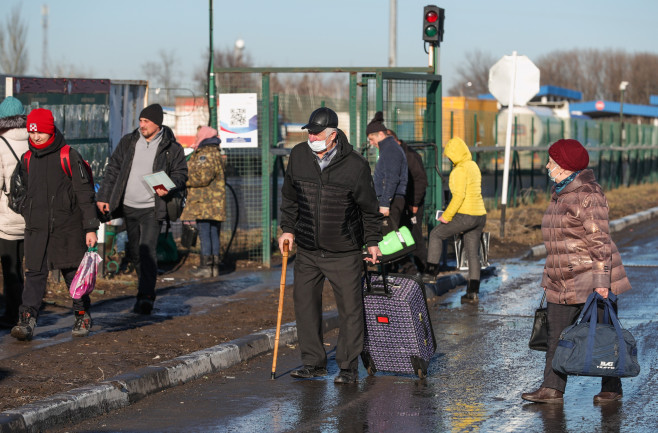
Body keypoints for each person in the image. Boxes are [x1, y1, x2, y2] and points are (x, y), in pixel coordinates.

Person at [522, 138, 632, 405]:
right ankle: (552, 389)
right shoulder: (560, 192)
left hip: (591, 277)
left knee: (604, 333)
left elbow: (600, 241)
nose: (547, 165)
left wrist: (601, 281)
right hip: (562, 279)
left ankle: (612, 387)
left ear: (565, 166)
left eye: (552, 161)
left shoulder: (587, 195)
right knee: (555, 335)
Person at [279, 107, 382, 384]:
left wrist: (372, 242)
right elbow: (289, 197)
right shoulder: (299, 156)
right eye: (309, 132)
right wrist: (287, 229)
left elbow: (369, 209)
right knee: (305, 305)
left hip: (344, 251)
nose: (311, 137)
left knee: (350, 309)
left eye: (316, 133)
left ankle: (347, 367)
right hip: (309, 248)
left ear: (333, 135)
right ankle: (313, 363)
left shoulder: (356, 166)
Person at [10, 108, 98, 340]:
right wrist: (26, 209)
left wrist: (90, 228)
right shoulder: (27, 159)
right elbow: (17, 191)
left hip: (68, 229)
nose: (36, 137)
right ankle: (26, 321)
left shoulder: (69, 155)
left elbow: (85, 193)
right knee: (34, 276)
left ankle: (82, 314)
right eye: (32, 132)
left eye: (40, 132)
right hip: (36, 230)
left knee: (73, 274)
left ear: (51, 131)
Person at [96, 104, 187, 314]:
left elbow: (181, 174)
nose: (142, 125)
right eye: (140, 120)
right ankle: (143, 288)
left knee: (147, 250)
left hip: (152, 208)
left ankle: (146, 296)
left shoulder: (172, 148)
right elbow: (113, 169)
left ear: (157, 124)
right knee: (135, 251)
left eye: (146, 121)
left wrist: (169, 186)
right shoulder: (128, 142)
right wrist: (104, 197)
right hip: (128, 206)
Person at [423, 137, 486, 303]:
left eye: (449, 156)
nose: (449, 159)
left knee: (436, 234)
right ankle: (472, 293)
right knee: (473, 254)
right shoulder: (473, 166)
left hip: (466, 215)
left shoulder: (458, 170)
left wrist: (446, 216)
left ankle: (430, 275)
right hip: (480, 215)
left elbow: (458, 197)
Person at [180, 126, 226, 277]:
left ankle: (207, 267)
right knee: (212, 232)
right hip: (212, 203)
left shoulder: (206, 154)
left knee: (205, 233)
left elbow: (203, 177)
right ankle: (213, 267)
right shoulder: (213, 152)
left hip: (205, 202)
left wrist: (183, 180)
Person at [0, 97, 29, 328]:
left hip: (7, 217)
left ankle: (13, 314)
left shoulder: (1, 144)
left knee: (11, 268)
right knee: (32, 269)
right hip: (32, 216)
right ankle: (28, 310)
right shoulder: (35, 141)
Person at [387, 128, 428, 273]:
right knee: (397, 234)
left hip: (412, 203)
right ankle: (400, 267)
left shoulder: (410, 155)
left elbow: (421, 180)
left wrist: (414, 203)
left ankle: (424, 269)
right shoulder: (393, 155)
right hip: (400, 202)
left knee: (415, 235)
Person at [366, 111, 407, 231]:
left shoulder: (390, 149)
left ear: (380, 134)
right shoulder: (388, 148)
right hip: (390, 199)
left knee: (387, 241)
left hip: (392, 201)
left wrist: (384, 204)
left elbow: (392, 178)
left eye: (372, 139)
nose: (371, 143)